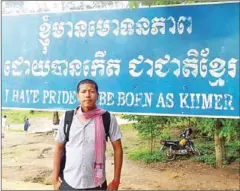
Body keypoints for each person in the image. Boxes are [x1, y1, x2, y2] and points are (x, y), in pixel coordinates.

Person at [53, 79, 123, 190]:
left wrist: (116, 181)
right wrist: (55, 179)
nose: (87, 95)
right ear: (78, 96)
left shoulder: (107, 118)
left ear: (97, 95)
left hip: (96, 184)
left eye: (91, 91)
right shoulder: (67, 118)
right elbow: (59, 148)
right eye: (83, 91)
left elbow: (118, 149)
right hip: (69, 182)